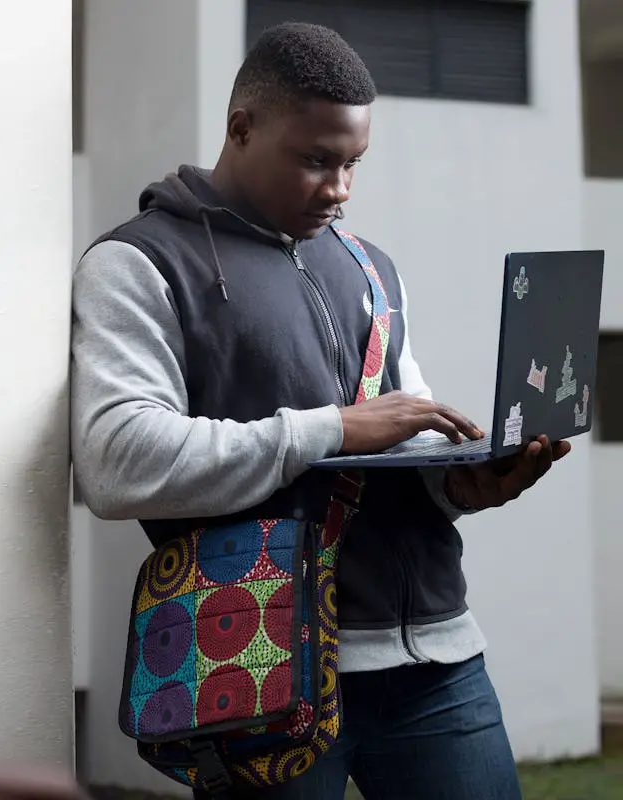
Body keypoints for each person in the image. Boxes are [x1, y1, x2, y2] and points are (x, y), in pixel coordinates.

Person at [71, 22, 570, 800]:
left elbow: (393, 444)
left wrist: (460, 485)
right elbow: (115, 461)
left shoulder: (371, 268)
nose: (338, 188)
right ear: (242, 127)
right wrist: (331, 427)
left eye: (352, 164)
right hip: (264, 668)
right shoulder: (138, 264)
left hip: (437, 661)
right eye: (315, 160)